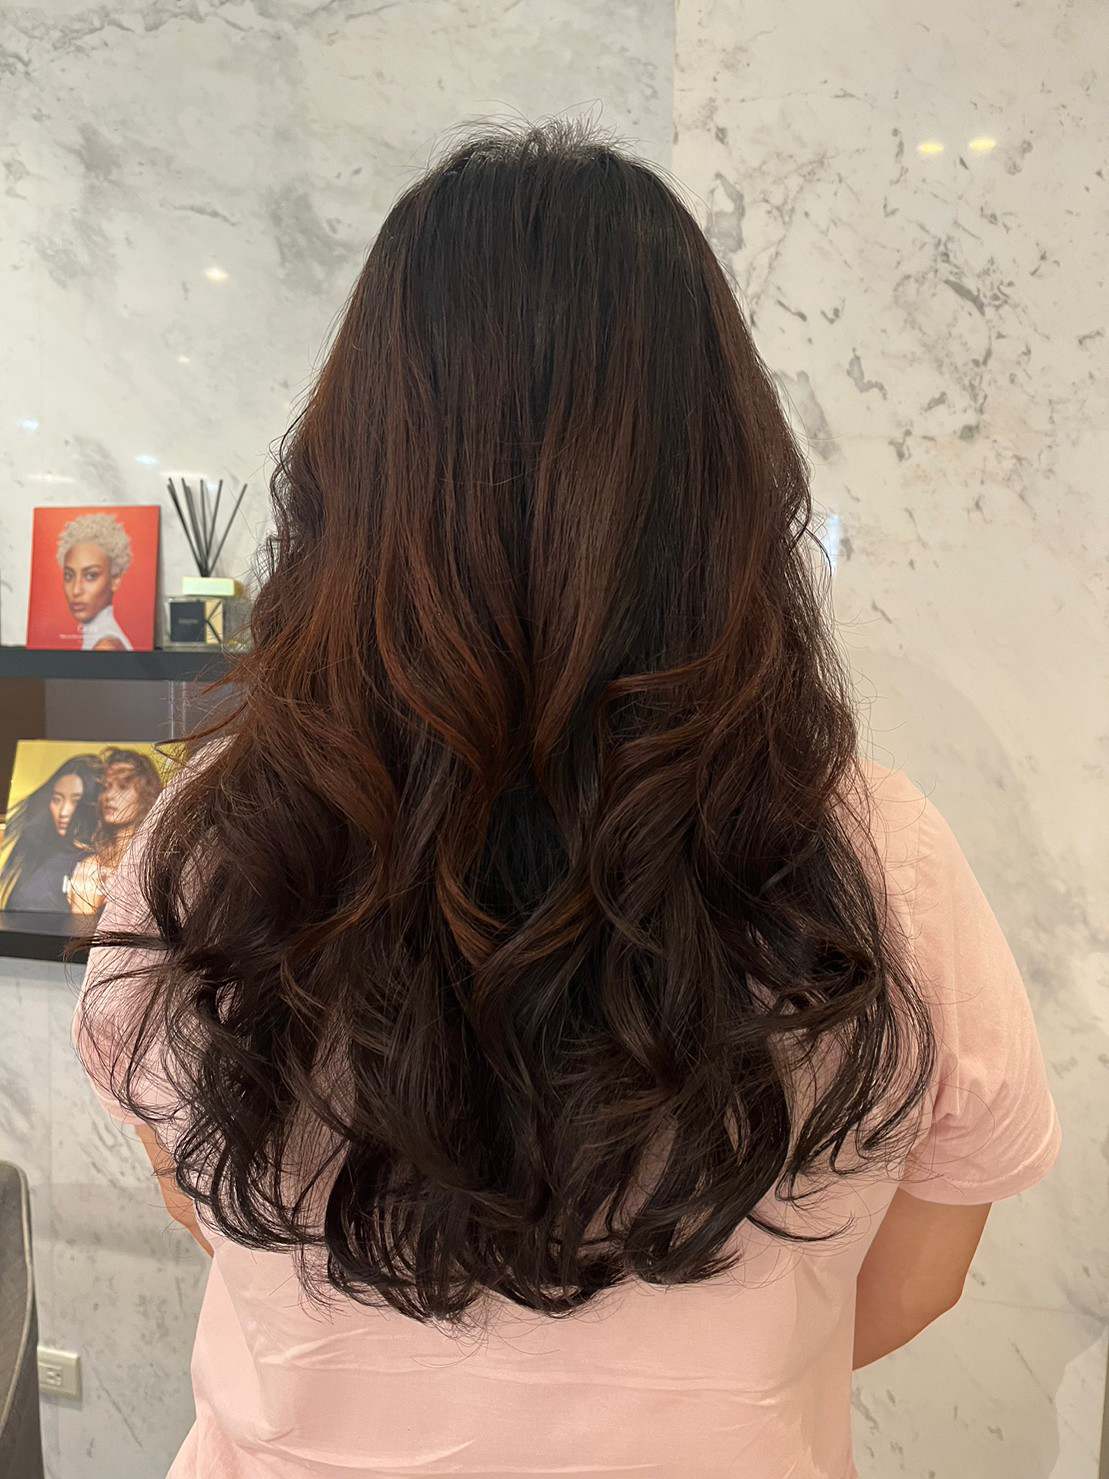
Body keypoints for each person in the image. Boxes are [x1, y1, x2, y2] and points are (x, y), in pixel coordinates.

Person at [73, 119, 1060, 1479]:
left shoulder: (212, 842)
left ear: (352, 470)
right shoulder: (878, 856)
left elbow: (210, 1201)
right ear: (721, 478)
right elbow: (915, 1282)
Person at [67, 749, 163, 917]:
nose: (109, 796)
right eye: (106, 787)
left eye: (123, 787)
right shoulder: (91, 865)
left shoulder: (156, 863)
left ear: (146, 795)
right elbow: (78, 927)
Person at [0, 755, 101, 911]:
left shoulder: (94, 865)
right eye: (57, 799)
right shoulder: (37, 853)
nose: (63, 812)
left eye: (75, 801)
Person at [56, 511, 135, 651]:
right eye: (69, 576)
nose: (76, 590)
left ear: (115, 579)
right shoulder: (99, 638)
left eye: (91, 576)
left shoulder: (105, 647)